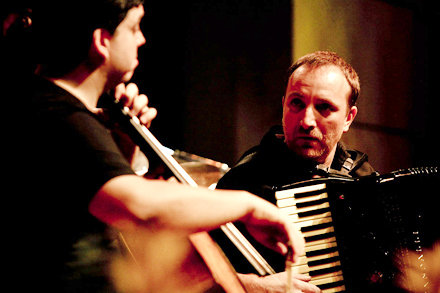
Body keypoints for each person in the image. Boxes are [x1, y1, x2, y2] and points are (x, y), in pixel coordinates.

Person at [26, 0, 305, 292]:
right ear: (102, 42)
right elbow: (139, 207)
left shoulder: (59, 109)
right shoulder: (58, 115)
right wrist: (250, 207)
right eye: (133, 27)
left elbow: (100, 209)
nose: (141, 38)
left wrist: (124, 142)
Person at [214, 51, 376, 285]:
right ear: (283, 105)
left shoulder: (363, 178)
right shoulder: (244, 181)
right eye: (297, 103)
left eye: (324, 107)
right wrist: (255, 287)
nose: (306, 121)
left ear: (348, 118)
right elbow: (192, 277)